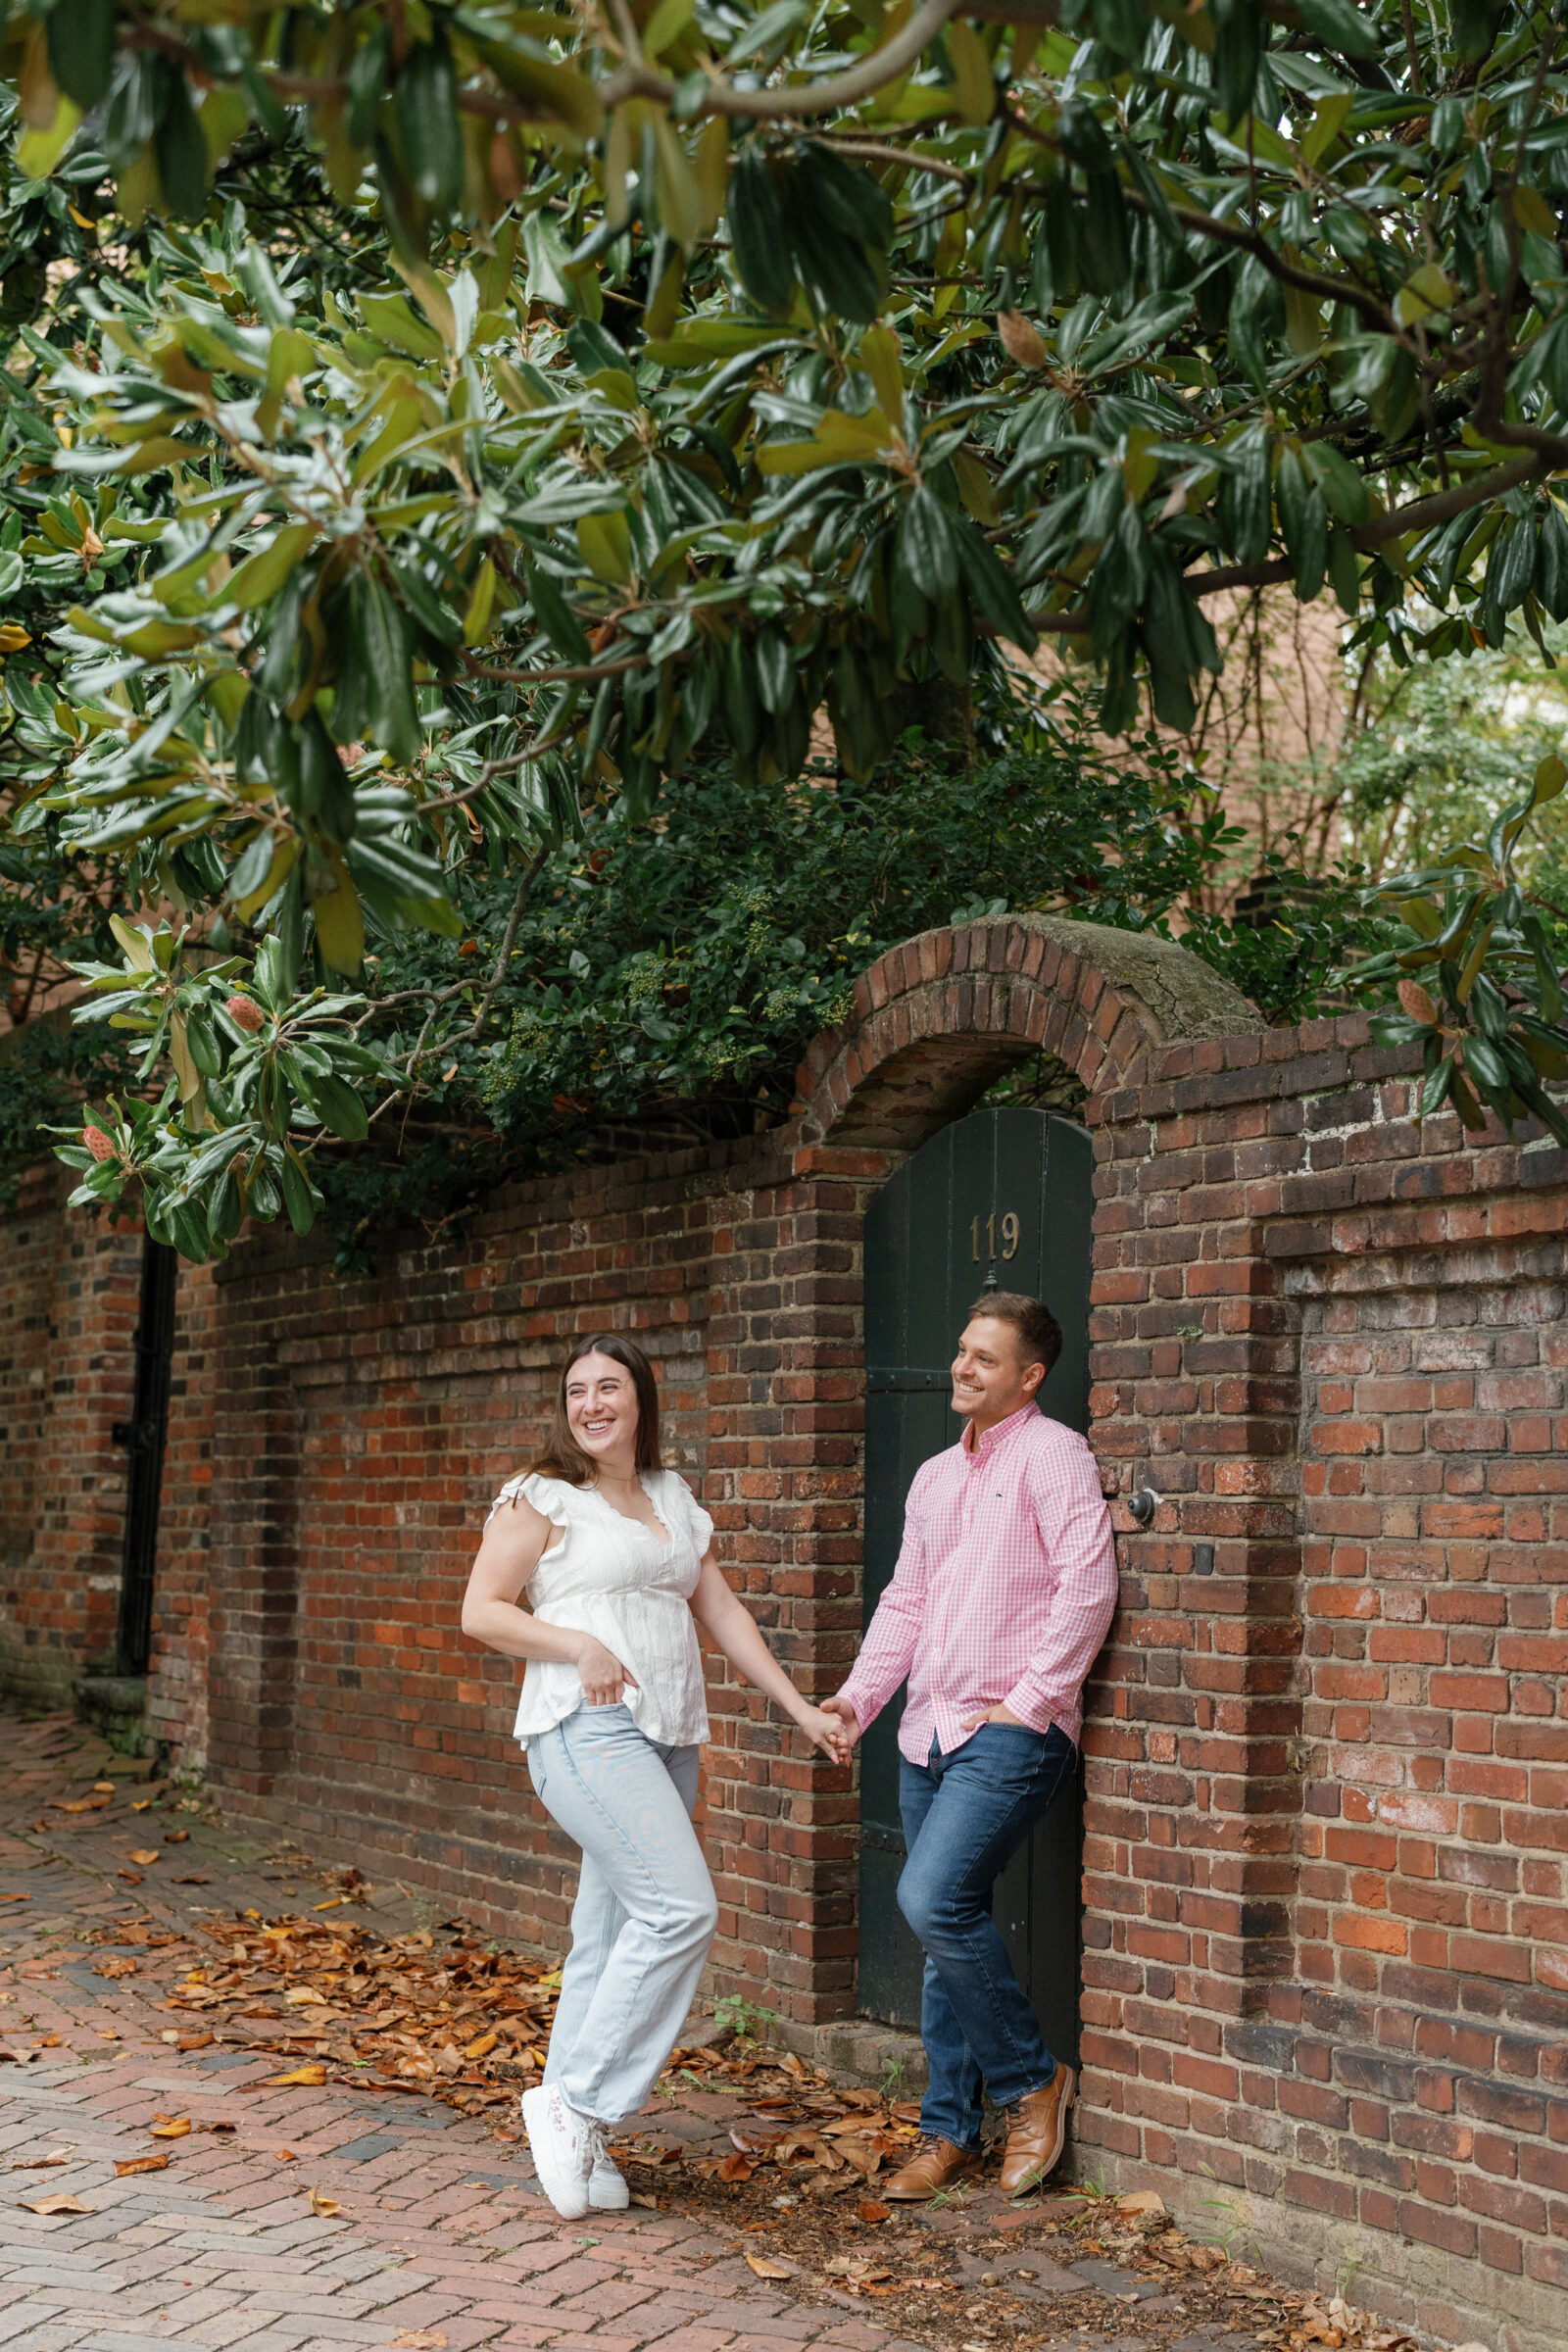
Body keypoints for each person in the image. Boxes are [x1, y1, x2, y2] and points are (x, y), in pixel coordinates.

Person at [461, 1331, 849, 2221]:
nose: (589, 1405)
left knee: (604, 1939)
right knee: (683, 1910)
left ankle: (577, 2134)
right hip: (583, 1730)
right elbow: (479, 1610)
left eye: (607, 1387)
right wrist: (577, 1643)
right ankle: (577, 2103)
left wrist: (800, 1708)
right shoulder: (541, 1496)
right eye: (575, 1391)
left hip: (668, 1737)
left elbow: (721, 1609)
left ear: (642, 1398)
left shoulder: (672, 1496)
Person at [822, 1291, 1117, 2202]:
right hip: (927, 1729)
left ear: (1028, 1376)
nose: (961, 1367)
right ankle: (947, 2131)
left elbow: (1088, 1589)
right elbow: (905, 1603)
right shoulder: (935, 1478)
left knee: (931, 1896)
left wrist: (1028, 1705)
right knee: (942, 1921)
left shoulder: (1057, 1458)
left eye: (984, 1358)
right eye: (960, 1350)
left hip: (1011, 1730)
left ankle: (1033, 2082)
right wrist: (858, 1701)